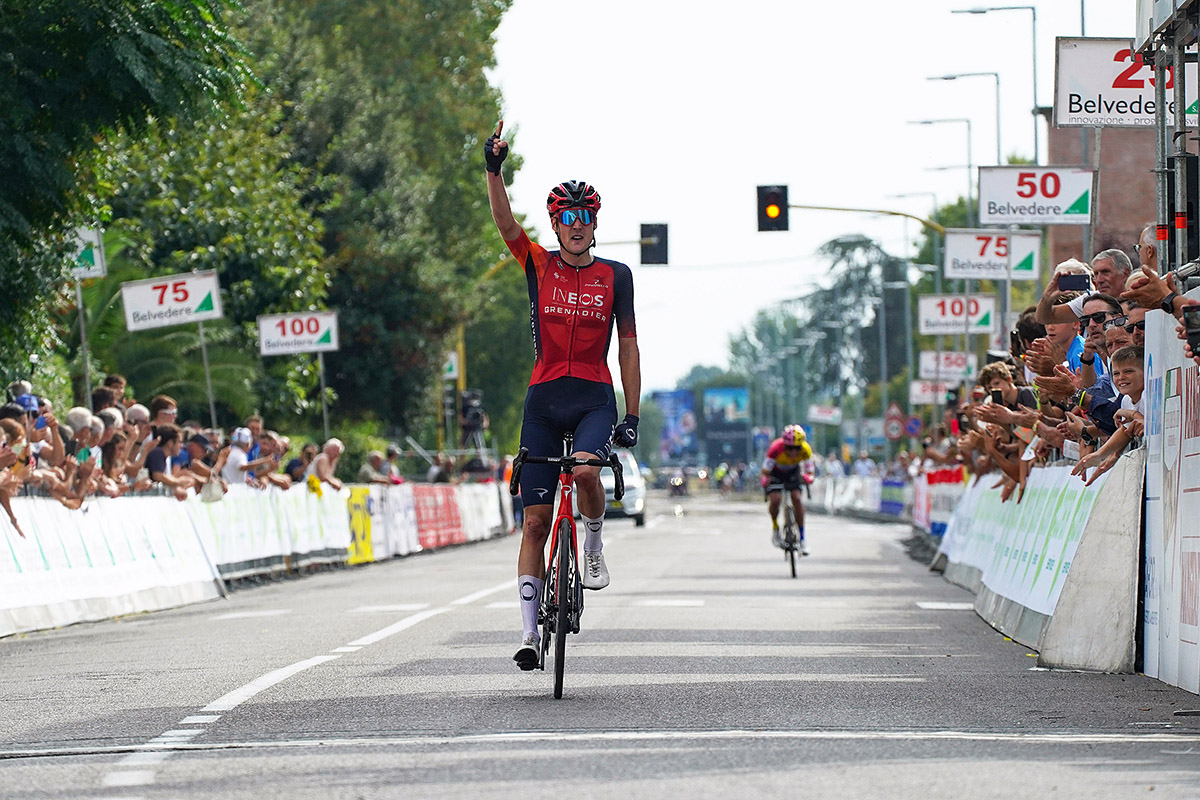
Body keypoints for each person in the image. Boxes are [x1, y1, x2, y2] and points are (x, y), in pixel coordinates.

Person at [485, 120, 641, 670]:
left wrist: (633, 413)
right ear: (556, 224)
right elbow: (504, 222)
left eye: (585, 217)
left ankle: (593, 543)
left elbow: (628, 348)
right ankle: (529, 634)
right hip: (544, 399)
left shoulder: (616, 275)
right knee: (533, 520)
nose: (576, 226)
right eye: (566, 218)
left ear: (595, 224)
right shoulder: (539, 264)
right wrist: (494, 170)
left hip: (596, 397)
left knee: (588, 472)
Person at [759, 425, 813, 554]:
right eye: (789, 448)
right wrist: (764, 481)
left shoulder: (805, 449)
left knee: (797, 499)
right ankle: (775, 528)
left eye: (796, 448)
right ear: (784, 445)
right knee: (776, 499)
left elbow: (810, 471)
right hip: (776, 473)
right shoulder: (775, 449)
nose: (793, 452)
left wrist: (808, 477)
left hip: (793, 473)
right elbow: (765, 471)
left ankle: (802, 539)